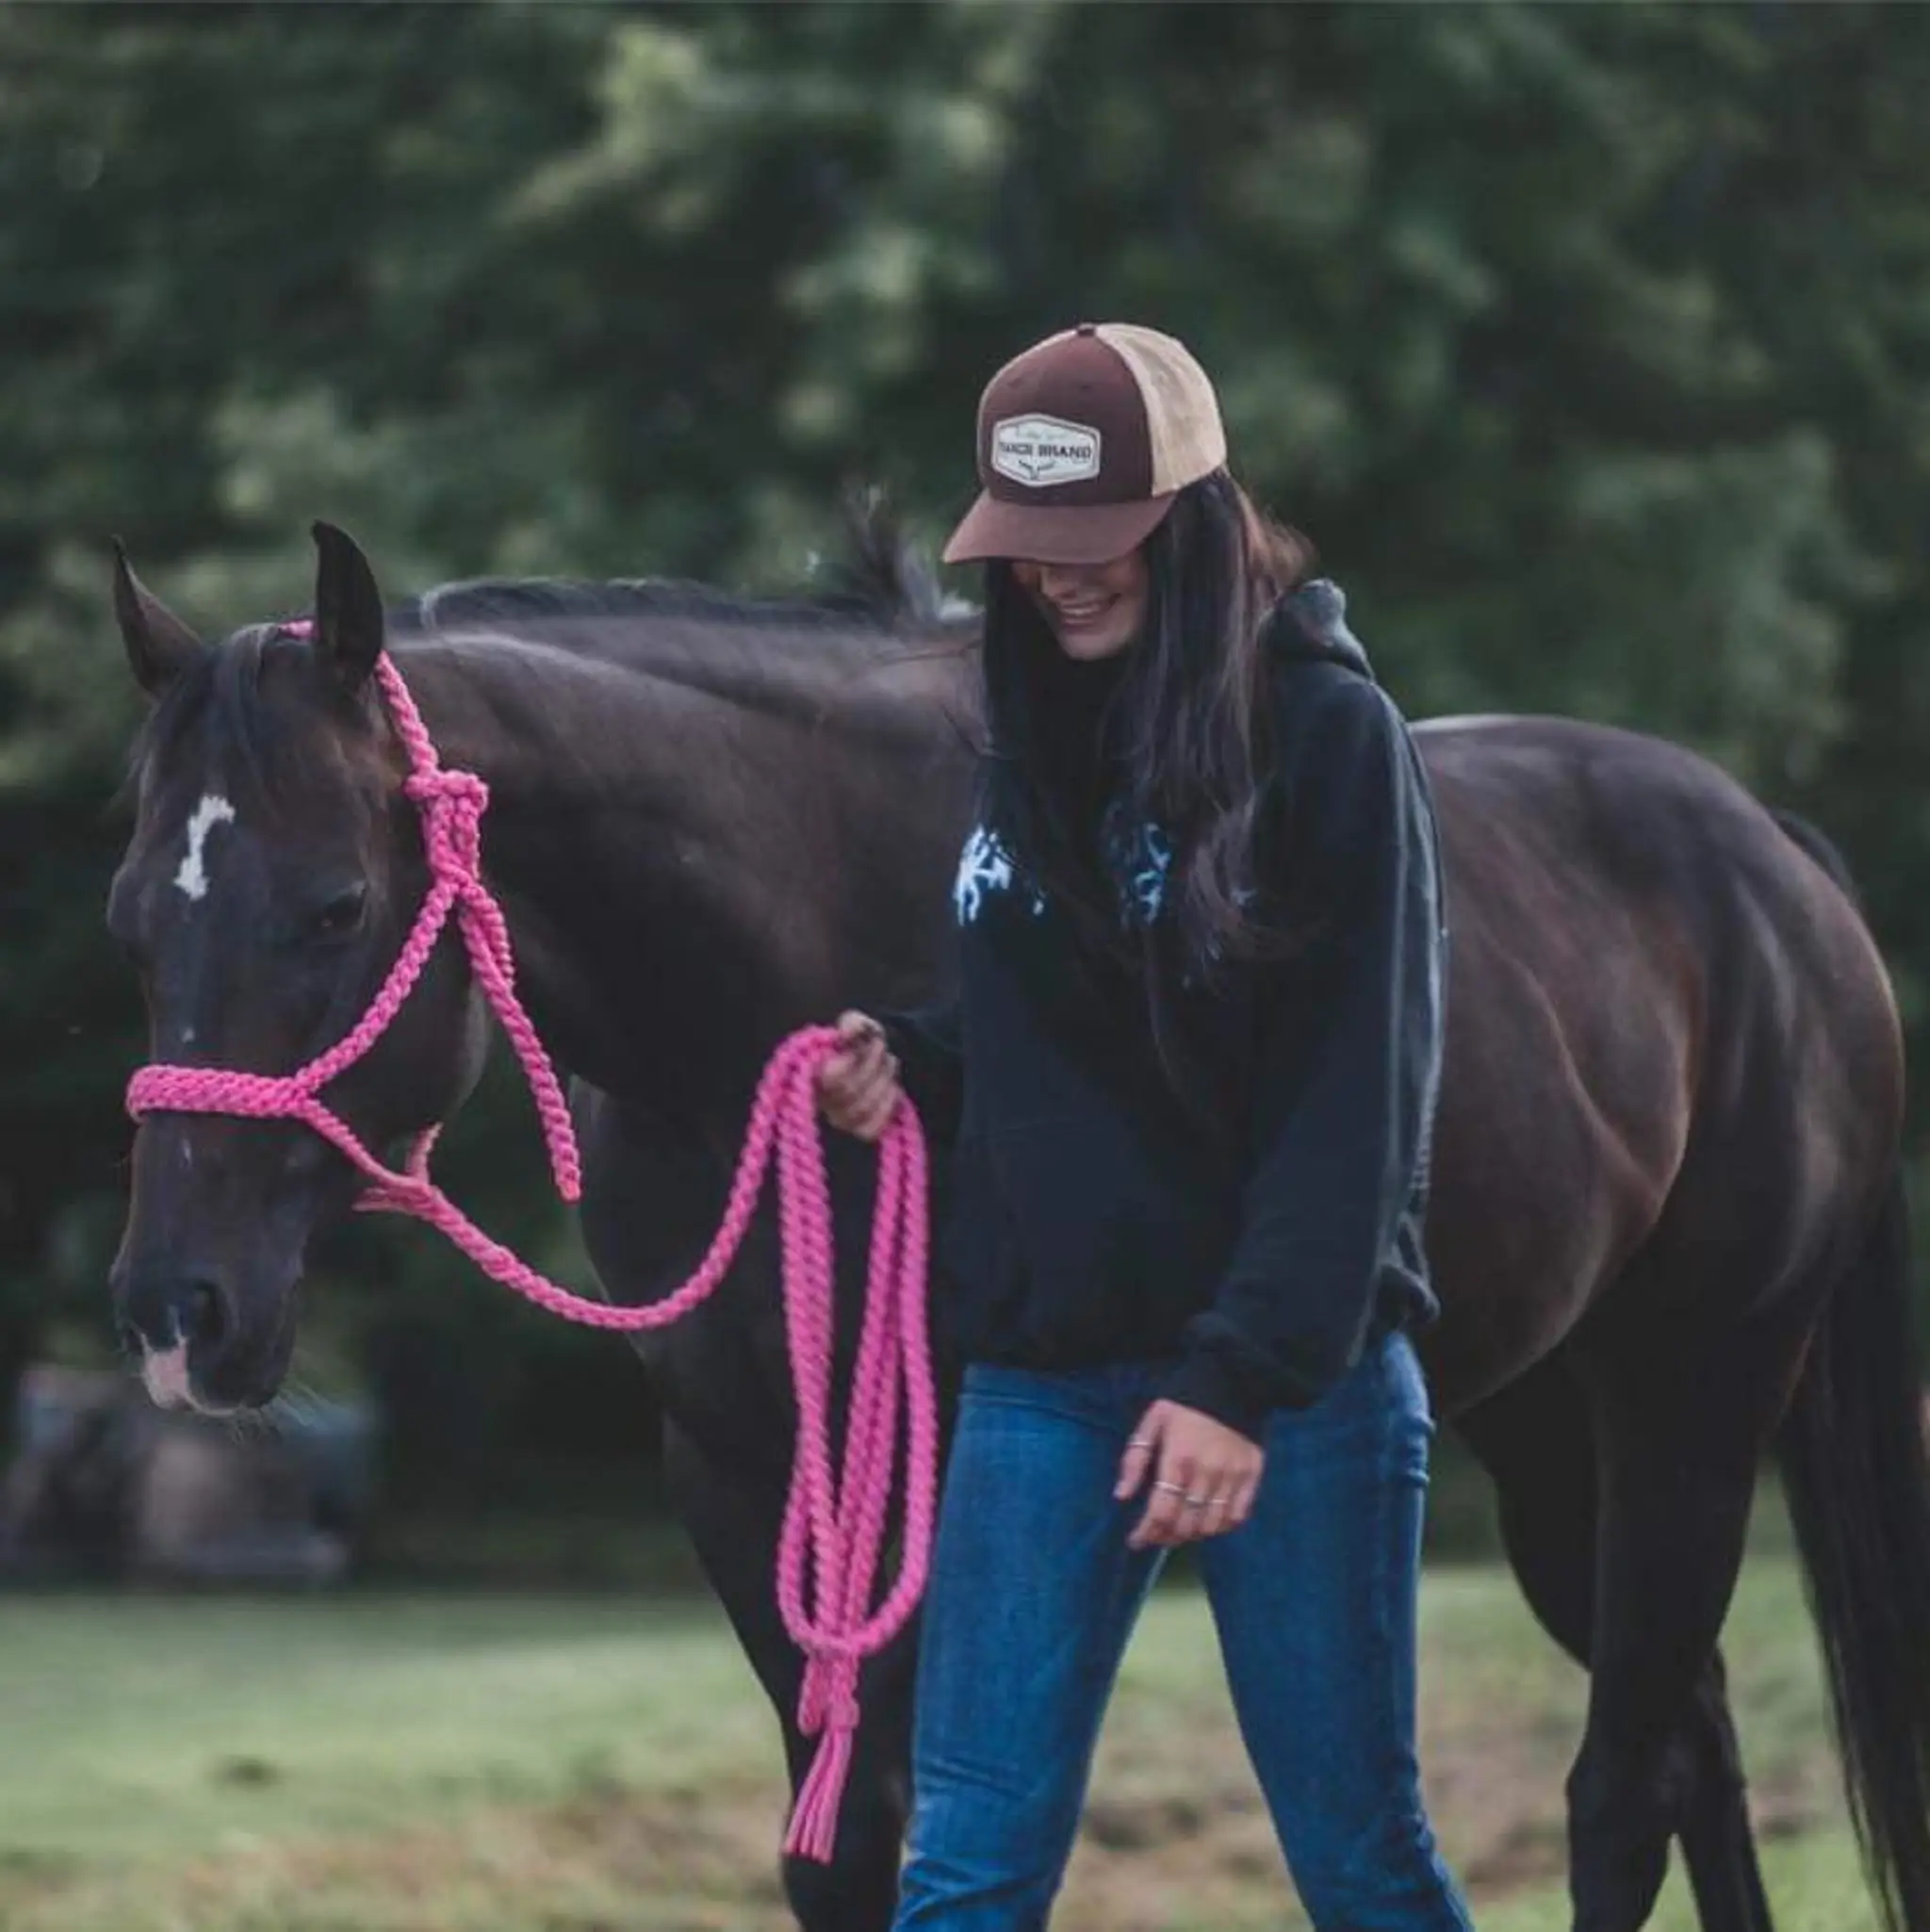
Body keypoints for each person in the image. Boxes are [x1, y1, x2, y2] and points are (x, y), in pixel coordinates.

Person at [817, 322, 1472, 1929]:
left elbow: (1355, 1100)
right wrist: (921, 1058)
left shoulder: (1325, 741)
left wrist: (1238, 1384)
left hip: (1290, 1394)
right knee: (965, 1866)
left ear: (1191, 516)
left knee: (1360, 1861)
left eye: (1093, 547)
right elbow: (1077, 1013)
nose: (1056, 583)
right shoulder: (1033, 721)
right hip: (1042, 1379)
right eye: (1028, 554)